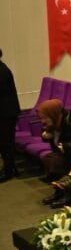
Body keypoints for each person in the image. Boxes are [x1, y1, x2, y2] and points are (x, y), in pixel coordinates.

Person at [0, 49, 20, 182]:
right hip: (5, 112)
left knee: (5, 143)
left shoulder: (2, 71)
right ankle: (11, 167)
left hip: (6, 113)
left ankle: (9, 171)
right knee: (5, 143)